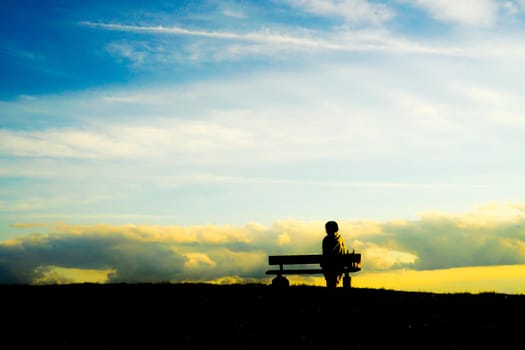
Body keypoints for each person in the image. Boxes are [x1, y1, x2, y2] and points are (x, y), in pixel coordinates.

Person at [321, 220, 347, 288]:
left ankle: (330, 285)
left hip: (328, 266)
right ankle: (334, 284)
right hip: (339, 265)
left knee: (327, 266)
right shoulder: (340, 239)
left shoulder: (325, 240)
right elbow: (343, 251)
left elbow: (325, 253)